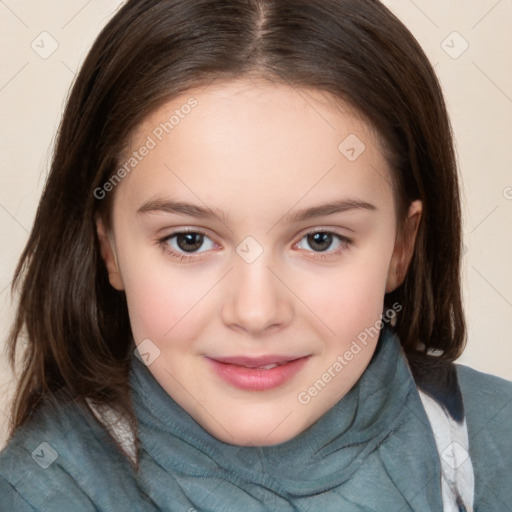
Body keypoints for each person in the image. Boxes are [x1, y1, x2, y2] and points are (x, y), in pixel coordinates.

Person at [0, 1, 510, 510]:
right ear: (109, 248)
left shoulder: (496, 447)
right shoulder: (36, 488)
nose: (256, 312)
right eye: (189, 240)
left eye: (320, 240)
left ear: (402, 247)